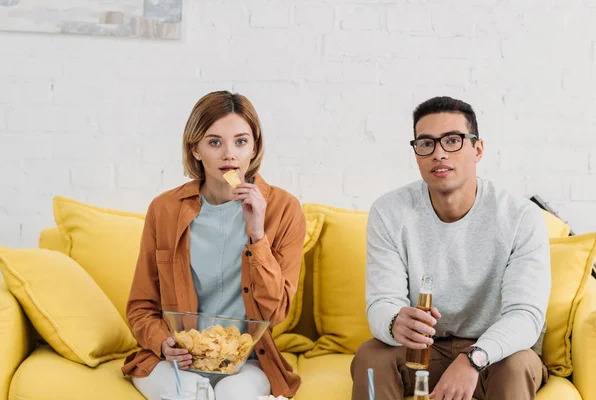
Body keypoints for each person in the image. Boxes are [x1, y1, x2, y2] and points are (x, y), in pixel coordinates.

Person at [350, 96, 551, 400]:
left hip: (493, 353)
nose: (439, 153)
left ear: (477, 149)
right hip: (422, 350)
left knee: (517, 363)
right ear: (416, 152)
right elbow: (381, 302)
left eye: (453, 140)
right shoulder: (388, 212)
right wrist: (394, 323)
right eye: (426, 143)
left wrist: (473, 357)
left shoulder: (521, 216)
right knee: (370, 356)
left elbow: (525, 315)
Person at [121, 91, 306, 400]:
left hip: (247, 362)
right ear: (195, 149)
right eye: (215, 142)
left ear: (255, 148)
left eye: (241, 142)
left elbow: (276, 311)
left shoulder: (283, 208)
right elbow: (141, 306)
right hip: (177, 361)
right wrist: (162, 342)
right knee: (194, 395)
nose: (229, 155)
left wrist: (258, 235)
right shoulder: (164, 209)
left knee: (233, 396)